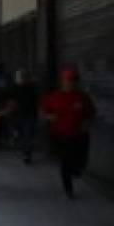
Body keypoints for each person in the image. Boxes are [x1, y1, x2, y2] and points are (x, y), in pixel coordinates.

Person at [41, 66, 96, 198]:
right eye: (68, 80)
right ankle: (68, 189)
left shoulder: (83, 97)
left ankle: (75, 170)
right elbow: (43, 112)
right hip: (61, 135)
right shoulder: (55, 97)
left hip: (80, 135)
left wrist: (87, 124)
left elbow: (91, 113)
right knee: (66, 162)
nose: (70, 83)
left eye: (73, 80)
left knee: (80, 162)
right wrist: (49, 117)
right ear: (63, 81)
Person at [8, 69, 40, 164]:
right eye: (20, 77)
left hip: (29, 115)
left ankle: (27, 155)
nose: (21, 79)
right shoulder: (13, 88)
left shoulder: (31, 88)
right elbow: (10, 101)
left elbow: (35, 102)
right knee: (22, 135)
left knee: (28, 136)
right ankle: (17, 138)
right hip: (17, 115)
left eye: (23, 77)